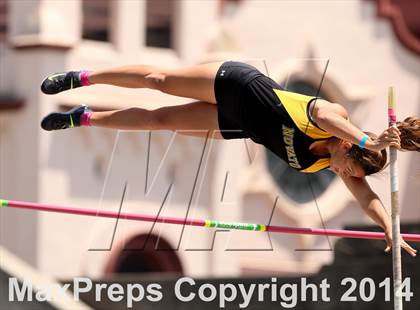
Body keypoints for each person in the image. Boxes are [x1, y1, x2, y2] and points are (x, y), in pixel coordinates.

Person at [40, 61, 419, 256]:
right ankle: (83, 77)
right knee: (159, 81)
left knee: (161, 121)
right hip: (240, 86)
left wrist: (389, 225)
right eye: (345, 165)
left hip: (239, 124)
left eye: (345, 174)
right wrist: (371, 140)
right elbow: (322, 116)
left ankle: (83, 117)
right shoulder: (334, 119)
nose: (339, 173)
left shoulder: (334, 164)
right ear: (347, 146)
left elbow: (367, 197)